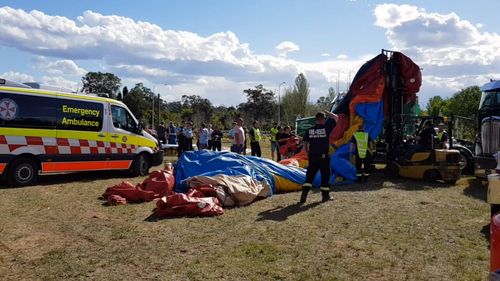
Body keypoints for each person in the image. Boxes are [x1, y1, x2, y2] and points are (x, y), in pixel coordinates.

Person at [300, 111, 338, 203]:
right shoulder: (326, 128)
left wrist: (307, 152)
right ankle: (325, 196)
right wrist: (327, 112)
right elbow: (336, 117)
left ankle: (304, 195)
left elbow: (305, 142)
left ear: (315, 119)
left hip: (312, 156)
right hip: (323, 156)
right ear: (323, 119)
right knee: (325, 176)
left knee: (309, 176)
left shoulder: (309, 130)